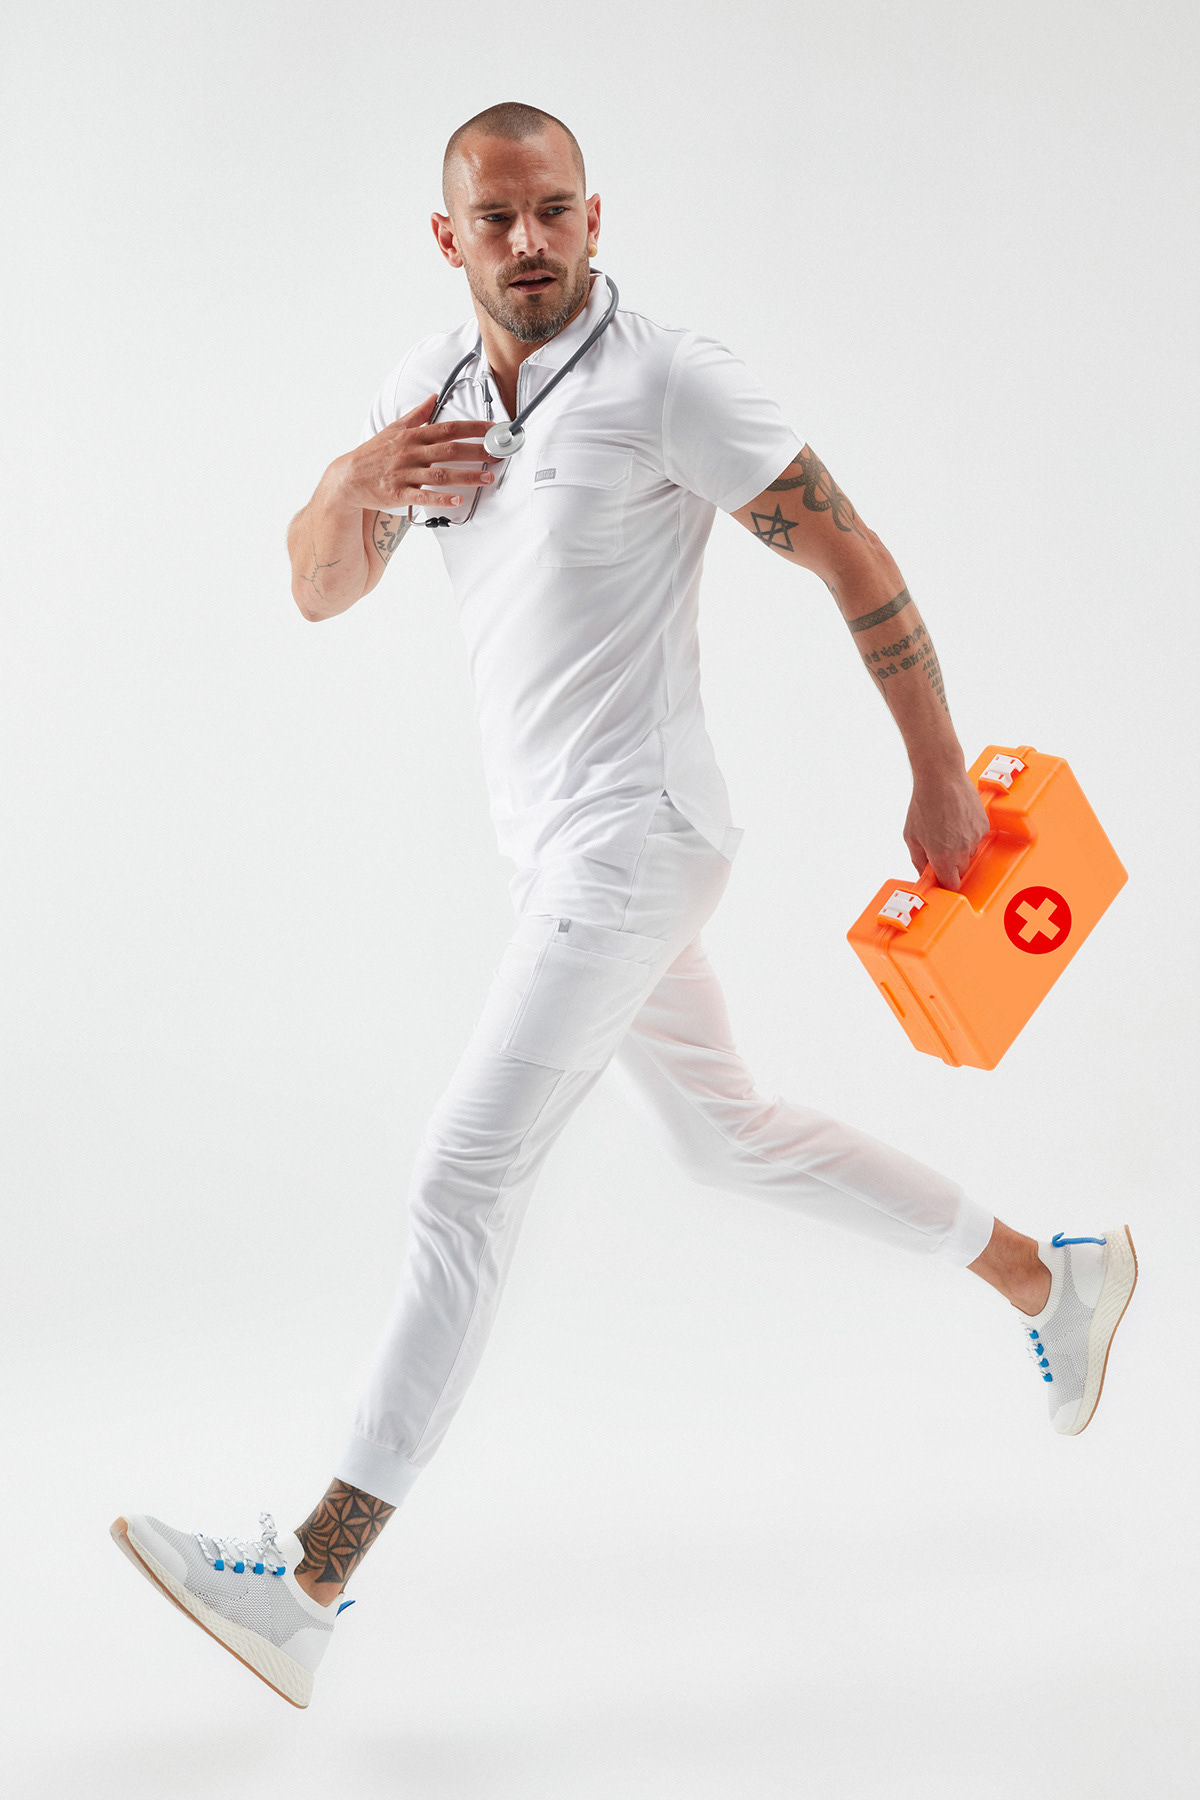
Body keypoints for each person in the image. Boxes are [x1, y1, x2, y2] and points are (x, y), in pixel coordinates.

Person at [111, 102, 1138, 1709]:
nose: (531, 242)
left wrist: (939, 771)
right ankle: (1047, 1276)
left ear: (596, 219)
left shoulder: (668, 380)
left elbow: (850, 550)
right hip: (560, 855)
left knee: (462, 1174)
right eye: (497, 218)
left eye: (557, 211)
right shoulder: (427, 394)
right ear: (449, 238)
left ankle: (308, 1582)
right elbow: (322, 589)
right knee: (729, 1136)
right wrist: (351, 476)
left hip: (638, 839)